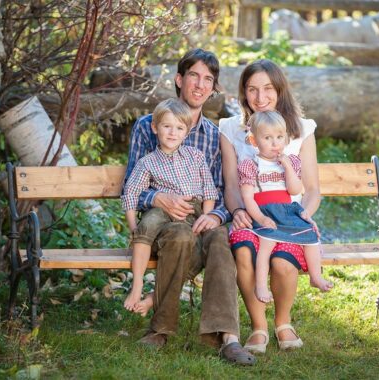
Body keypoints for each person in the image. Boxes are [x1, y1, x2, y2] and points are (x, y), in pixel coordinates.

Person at [123, 48, 255, 365]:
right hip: (164, 222)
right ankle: (161, 328)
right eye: (193, 76)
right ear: (179, 80)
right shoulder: (147, 126)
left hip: (203, 215)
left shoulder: (213, 135)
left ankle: (226, 336)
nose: (199, 85)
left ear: (213, 88)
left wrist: (215, 215)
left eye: (207, 79)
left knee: (222, 240)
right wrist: (156, 198)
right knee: (181, 237)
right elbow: (131, 184)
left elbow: (223, 190)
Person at [220, 59, 330, 353]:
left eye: (268, 88)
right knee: (244, 248)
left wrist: (303, 215)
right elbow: (232, 186)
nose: (260, 97)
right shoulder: (231, 128)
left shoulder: (302, 130)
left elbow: (312, 189)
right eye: (252, 89)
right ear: (244, 93)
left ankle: (283, 323)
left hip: (290, 215)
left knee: (282, 260)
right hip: (251, 214)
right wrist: (239, 212)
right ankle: (258, 327)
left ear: (280, 90)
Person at [121, 98, 218, 316]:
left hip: (193, 211)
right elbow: (131, 193)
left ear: (187, 131)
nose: (173, 133)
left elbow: (210, 192)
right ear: (155, 128)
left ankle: (153, 298)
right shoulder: (147, 162)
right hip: (163, 209)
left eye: (179, 128)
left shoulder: (196, 157)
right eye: (167, 126)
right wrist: (133, 226)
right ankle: (136, 287)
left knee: (194, 252)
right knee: (147, 225)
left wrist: (206, 217)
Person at [238, 111, 333, 304]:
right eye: (268, 138)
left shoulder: (290, 161)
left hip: (287, 209)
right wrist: (261, 218)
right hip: (265, 211)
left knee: (310, 237)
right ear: (254, 141)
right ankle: (261, 285)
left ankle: (315, 276)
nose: (275, 143)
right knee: (266, 244)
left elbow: (295, 189)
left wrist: (288, 168)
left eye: (280, 137)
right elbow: (248, 198)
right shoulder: (251, 165)